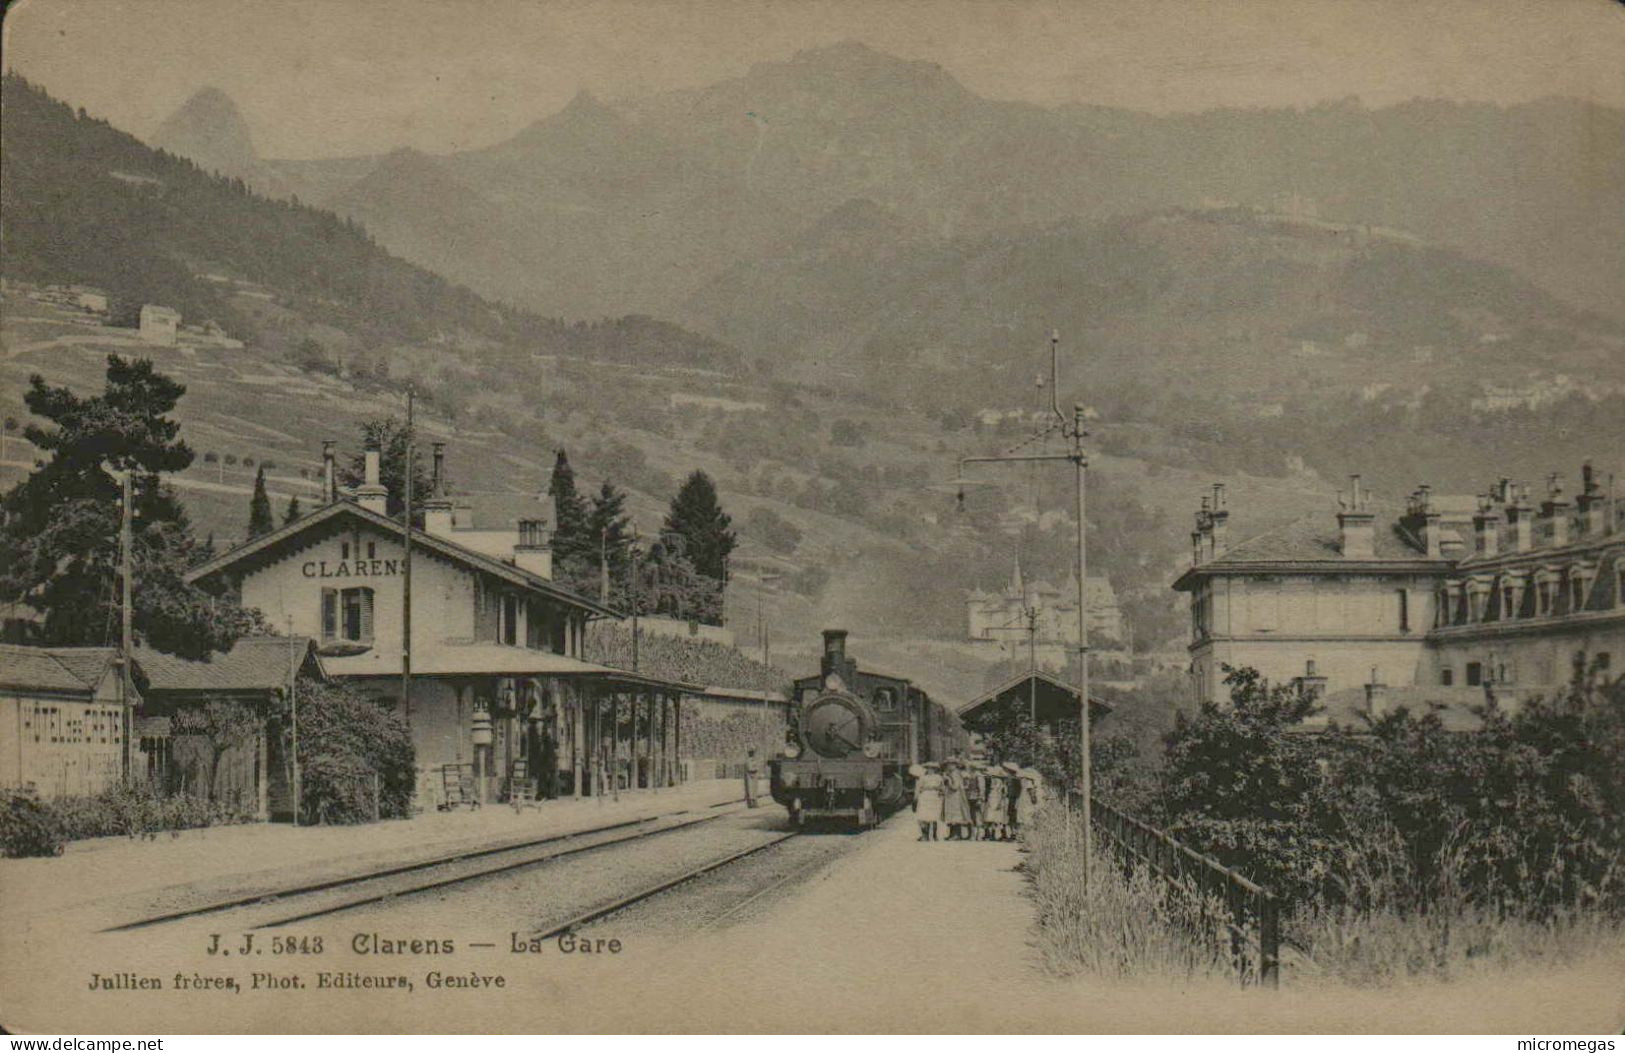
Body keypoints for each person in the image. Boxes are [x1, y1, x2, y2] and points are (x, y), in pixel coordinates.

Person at [941, 758, 971, 839]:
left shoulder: (955, 774)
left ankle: (956, 834)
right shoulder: (951, 773)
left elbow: (955, 786)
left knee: (956, 815)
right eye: (948, 765)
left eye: (951, 764)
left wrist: (948, 780)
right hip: (951, 796)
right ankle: (952, 834)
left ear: (955, 765)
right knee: (951, 814)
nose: (949, 766)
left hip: (955, 796)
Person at [914, 762, 943, 841]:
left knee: (934, 816)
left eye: (932, 769)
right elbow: (919, 788)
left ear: (935, 770)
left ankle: (934, 835)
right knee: (924, 815)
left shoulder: (938, 777)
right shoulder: (923, 778)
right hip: (925, 796)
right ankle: (925, 835)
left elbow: (942, 788)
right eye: (929, 769)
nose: (930, 770)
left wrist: (939, 792)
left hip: (934, 797)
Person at [982, 765, 1007, 841]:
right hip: (993, 799)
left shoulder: (998, 781)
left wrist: (999, 802)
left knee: (994, 818)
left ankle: (994, 834)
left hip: (995, 799)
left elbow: (999, 792)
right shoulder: (997, 781)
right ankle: (992, 834)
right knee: (992, 817)